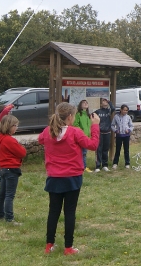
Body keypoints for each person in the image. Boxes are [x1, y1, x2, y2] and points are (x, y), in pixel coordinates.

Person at [38, 102, 100, 256]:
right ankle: (68, 247)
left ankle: (49, 245)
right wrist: (95, 126)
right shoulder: (75, 132)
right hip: (72, 177)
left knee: (53, 211)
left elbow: (41, 139)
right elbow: (93, 145)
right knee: (69, 212)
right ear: (70, 117)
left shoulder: (48, 131)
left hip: (54, 177)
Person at [0, 115, 27, 224]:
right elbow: (22, 153)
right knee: (9, 195)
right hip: (11, 169)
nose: (16, 128)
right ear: (10, 127)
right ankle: (9, 218)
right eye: (15, 126)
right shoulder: (10, 140)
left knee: (2, 194)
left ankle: (0, 215)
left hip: (3, 169)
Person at [94, 97, 114, 172]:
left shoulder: (109, 111)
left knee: (105, 149)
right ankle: (98, 166)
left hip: (107, 132)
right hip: (100, 133)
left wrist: (109, 102)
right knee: (99, 149)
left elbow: (113, 108)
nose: (105, 102)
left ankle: (105, 165)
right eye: (103, 101)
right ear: (101, 103)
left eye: (106, 101)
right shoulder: (98, 111)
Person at [111, 105, 134, 169]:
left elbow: (131, 125)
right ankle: (115, 163)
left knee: (126, 150)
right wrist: (116, 130)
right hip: (119, 136)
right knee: (117, 150)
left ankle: (127, 163)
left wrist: (129, 130)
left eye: (126, 110)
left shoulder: (128, 117)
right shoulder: (116, 117)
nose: (125, 111)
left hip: (126, 136)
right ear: (121, 110)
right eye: (124, 110)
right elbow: (112, 125)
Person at [73, 100, 92, 172]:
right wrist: (81, 132)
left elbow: (89, 126)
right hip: (81, 136)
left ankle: (83, 166)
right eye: (84, 103)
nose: (86, 103)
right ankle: (83, 167)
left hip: (87, 137)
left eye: (87, 102)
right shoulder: (78, 114)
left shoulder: (88, 115)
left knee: (84, 152)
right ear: (80, 105)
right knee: (82, 152)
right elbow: (75, 125)